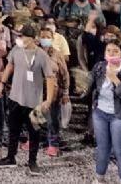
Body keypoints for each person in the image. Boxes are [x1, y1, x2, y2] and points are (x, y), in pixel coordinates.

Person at [0, 25, 56, 176]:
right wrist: (2, 84)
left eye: (23, 37)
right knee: (13, 130)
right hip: (15, 98)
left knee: (34, 133)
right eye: (19, 37)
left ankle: (32, 161)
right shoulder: (16, 50)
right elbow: (10, 66)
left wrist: (48, 100)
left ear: (33, 39)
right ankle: (10, 157)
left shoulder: (41, 55)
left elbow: (50, 78)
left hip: (35, 103)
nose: (20, 39)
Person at [86, 40, 121, 184]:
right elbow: (90, 86)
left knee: (119, 151)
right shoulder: (99, 67)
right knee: (102, 148)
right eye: (108, 50)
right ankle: (99, 179)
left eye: (115, 51)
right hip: (100, 113)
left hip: (120, 116)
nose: (111, 53)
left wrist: (116, 81)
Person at [37, 26, 70, 157]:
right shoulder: (35, 52)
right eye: (42, 37)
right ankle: (37, 140)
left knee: (52, 120)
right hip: (37, 92)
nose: (45, 39)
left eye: (48, 37)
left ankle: (53, 144)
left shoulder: (57, 54)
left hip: (53, 93)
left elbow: (64, 74)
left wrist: (65, 92)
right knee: (36, 118)